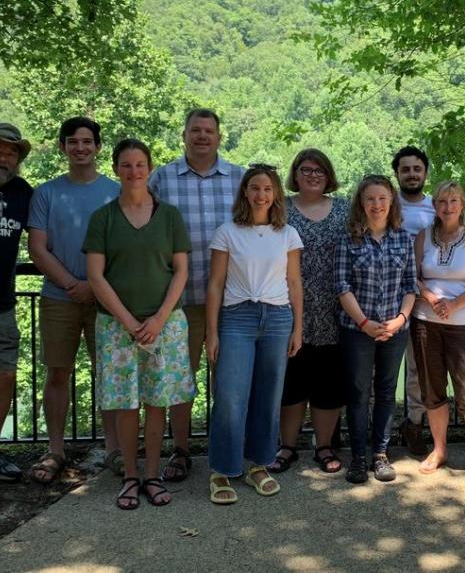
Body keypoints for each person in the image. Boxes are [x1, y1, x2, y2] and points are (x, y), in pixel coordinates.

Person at [84, 139, 195, 509]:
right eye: (126, 165)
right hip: (116, 327)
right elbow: (97, 277)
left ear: (149, 168)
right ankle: (130, 476)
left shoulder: (170, 216)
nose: (134, 171)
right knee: (126, 405)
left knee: (157, 402)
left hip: (166, 324)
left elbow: (180, 271)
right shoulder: (103, 218)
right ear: (116, 168)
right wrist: (130, 321)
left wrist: (159, 317)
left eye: (140, 164)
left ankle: (152, 474)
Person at [148, 108, 244, 482]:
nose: (202, 136)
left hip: (232, 300)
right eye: (195, 130)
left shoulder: (239, 178)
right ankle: (182, 449)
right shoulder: (163, 179)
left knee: (230, 380)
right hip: (178, 300)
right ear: (184, 135)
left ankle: (228, 449)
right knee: (179, 378)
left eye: (209, 131)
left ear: (219, 137)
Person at [27, 117, 121, 484]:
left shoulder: (115, 192)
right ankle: (55, 449)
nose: (80, 147)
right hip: (58, 297)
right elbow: (37, 248)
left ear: (98, 147)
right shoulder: (46, 193)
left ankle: (115, 448)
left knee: (110, 375)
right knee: (58, 372)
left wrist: (95, 287)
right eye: (73, 141)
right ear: (63, 147)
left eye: (87, 141)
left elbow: (123, 248)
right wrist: (74, 284)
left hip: (108, 301)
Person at [206, 164, 303, 504]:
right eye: (255, 188)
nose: (261, 194)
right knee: (231, 397)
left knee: (268, 396)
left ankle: (258, 465)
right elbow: (216, 284)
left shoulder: (287, 233)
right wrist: (212, 332)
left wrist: (298, 327)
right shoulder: (227, 232)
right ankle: (222, 470)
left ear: (275, 194)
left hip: (277, 319)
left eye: (267, 188)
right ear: (245, 192)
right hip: (237, 318)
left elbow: (294, 282)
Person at [335, 175, 416, 484]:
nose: (376, 205)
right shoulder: (349, 239)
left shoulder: (403, 238)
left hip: (394, 330)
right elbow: (342, 287)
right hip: (358, 330)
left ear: (391, 201)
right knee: (357, 394)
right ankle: (357, 456)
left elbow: (410, 285)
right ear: (361, 203)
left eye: (382, 198)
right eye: (370, 199)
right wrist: (365, 324)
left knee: (385, 393)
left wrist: (399, 320)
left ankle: (380, 455)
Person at [412, 181, 465, 483]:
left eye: (454, 200)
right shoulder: (423, 237)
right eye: (442, 201)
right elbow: (415, 276)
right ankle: (439, 449)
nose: (448, 206)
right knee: (432, 389)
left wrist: (455, 304)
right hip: (425, 322)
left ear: (463, 204)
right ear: (434, 205)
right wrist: (431, 298)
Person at [273, 149, 347, 474]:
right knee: (292, 382)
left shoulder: (345, 209)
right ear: (296, 174)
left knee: (328, 384)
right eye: (306, 169)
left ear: (328, 174)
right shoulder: (282, 209)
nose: (313, 174)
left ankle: (324, 446)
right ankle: (287, 447)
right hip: (290, 309)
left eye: (319, 169)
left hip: (335, 309)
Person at [392, 145, 435, 456]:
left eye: (416, 169)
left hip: (422, 297)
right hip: (384, 296)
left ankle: (415, 423)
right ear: (397, 174)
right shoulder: (385, 204)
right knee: (379, 368)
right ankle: (371, 428)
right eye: (405, 169)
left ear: (425, 173)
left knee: (419, 366)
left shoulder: (436, 207)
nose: (411, 174)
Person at [0, 123, 33, 483]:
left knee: (6, 376)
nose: (3, 156)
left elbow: (41, 237)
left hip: (3, 306)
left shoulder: (24, 193)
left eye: (11, 152)